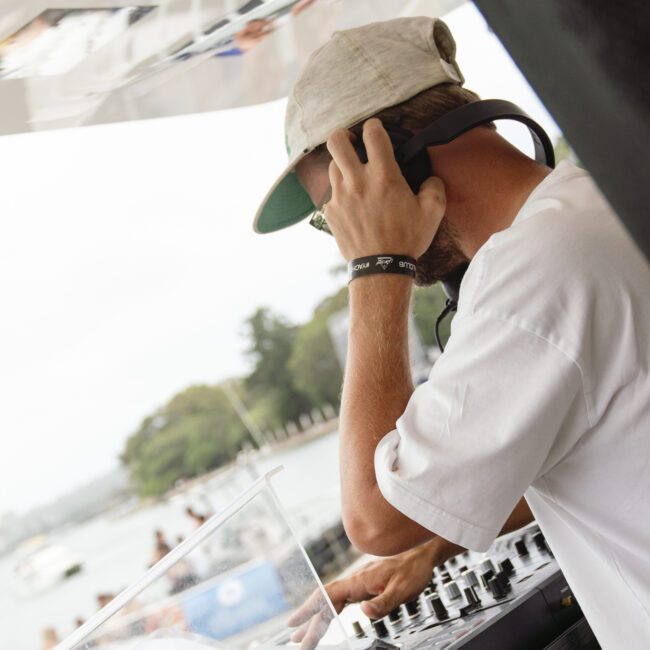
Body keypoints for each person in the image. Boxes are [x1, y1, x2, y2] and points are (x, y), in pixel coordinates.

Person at [253, 16, 650, 649]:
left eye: (340, 211)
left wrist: (375, 266)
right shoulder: (584, 207)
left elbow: (375, 520)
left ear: (388, 160)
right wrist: (436, 543)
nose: (342, 240)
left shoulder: (535, 275)